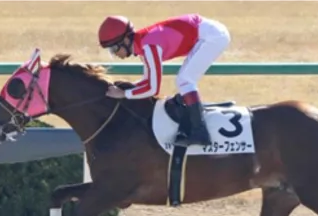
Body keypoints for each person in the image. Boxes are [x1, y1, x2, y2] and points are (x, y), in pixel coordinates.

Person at [98, 13, 230, 146]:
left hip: (212, 37)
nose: (115, 54)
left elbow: (153, 89)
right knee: (183, 80)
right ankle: (196, 126)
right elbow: (147, 81)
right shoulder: (143, 46)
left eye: (114, 48)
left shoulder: (149, 47)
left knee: (185, 80)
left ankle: (200, 132)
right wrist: (126, 88)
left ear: (126, 40)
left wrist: (124, 94)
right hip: (207, 33)